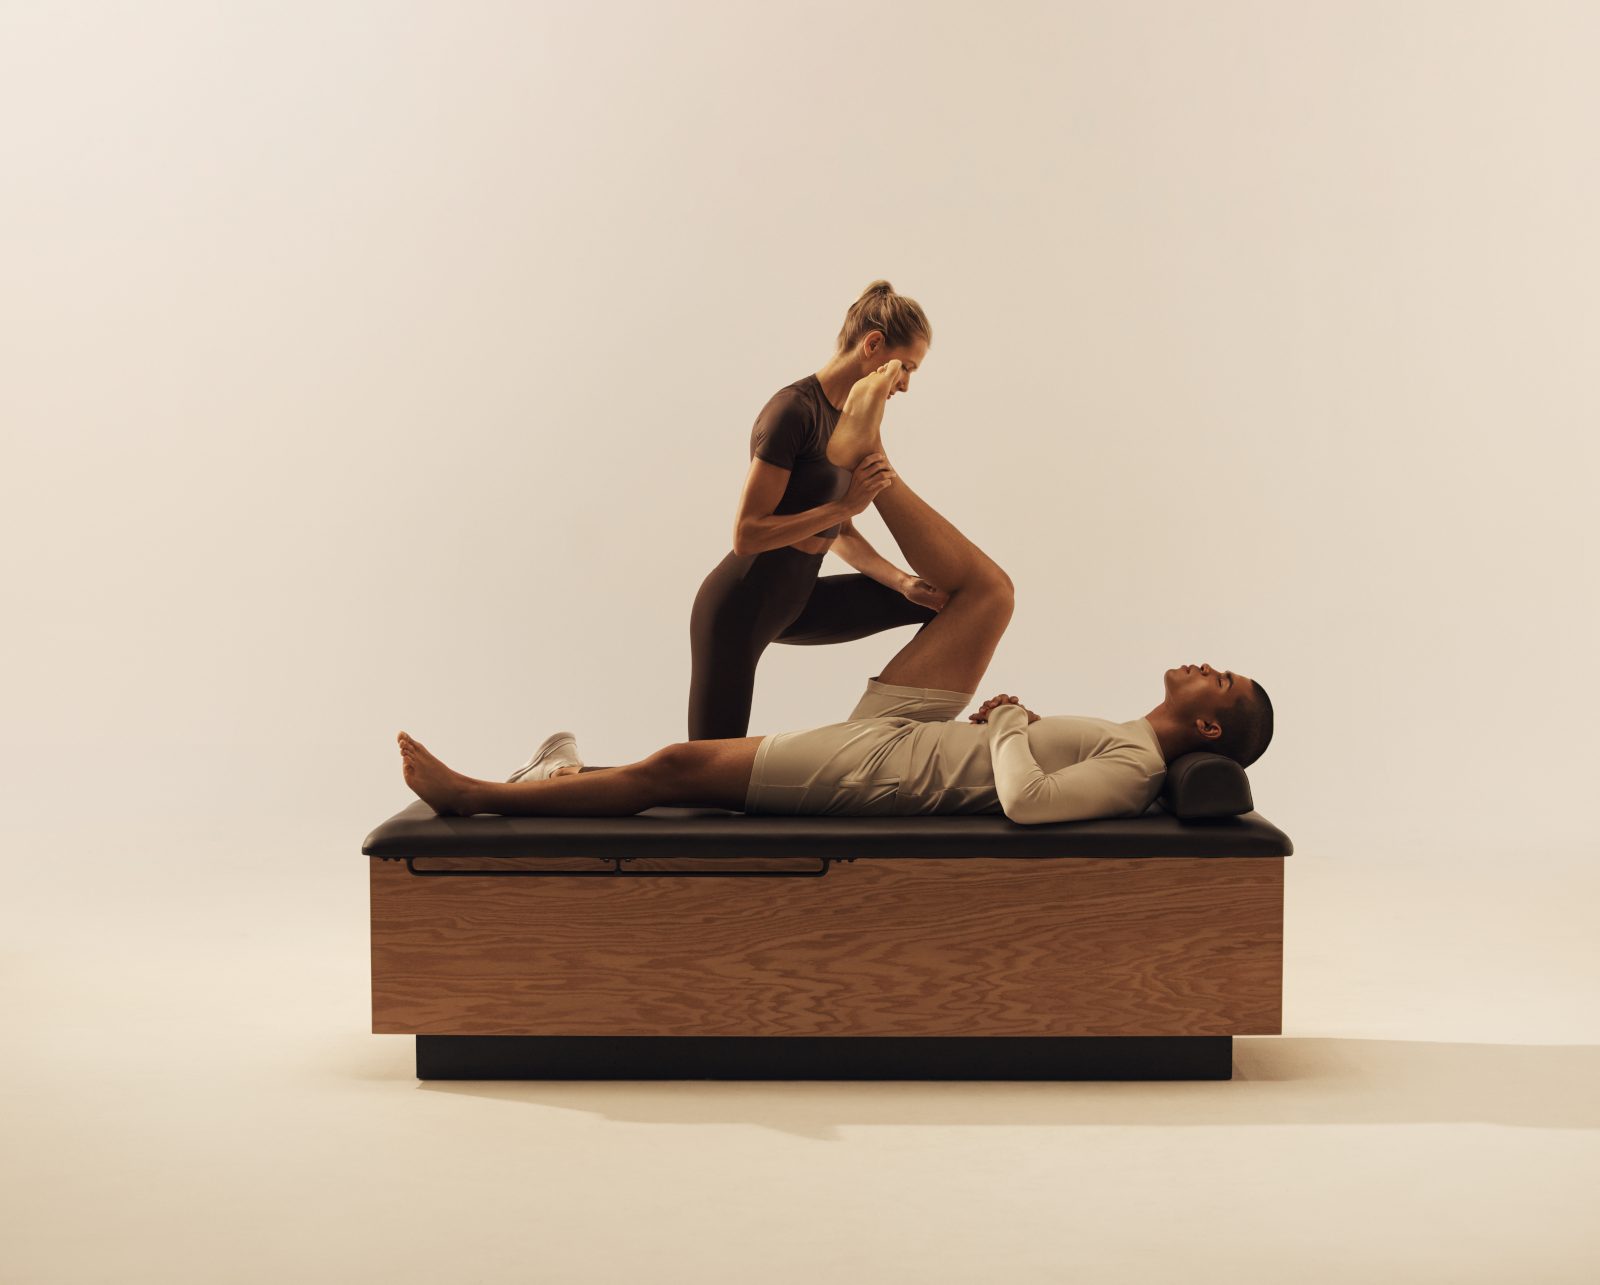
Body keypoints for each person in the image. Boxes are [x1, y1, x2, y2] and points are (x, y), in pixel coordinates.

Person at [404, 360, 1275, 825]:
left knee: (679, 767)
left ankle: (482, 796)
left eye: (1221, 681)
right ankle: (869, 462)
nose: (1209, 667)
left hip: (886, 769)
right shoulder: (1131, 745)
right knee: (987, 595)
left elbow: (1027, 803)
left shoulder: (1134, 768)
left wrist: (1009, 724)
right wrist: (901, 590)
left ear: (1207, 725)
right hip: (916, 740)